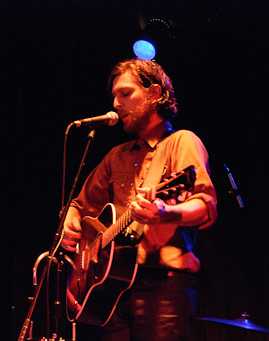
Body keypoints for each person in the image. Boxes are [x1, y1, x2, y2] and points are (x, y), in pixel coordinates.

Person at [61, 58, 217, 340]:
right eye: (114, 96)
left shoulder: (182, 142)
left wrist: (165, 214)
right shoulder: (116, 155)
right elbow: (81, 205)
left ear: (154, 94)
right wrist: (71, 218)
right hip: (112, 290)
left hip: (164, 287)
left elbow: (205, 205)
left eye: (125, 93)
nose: (117, 104)